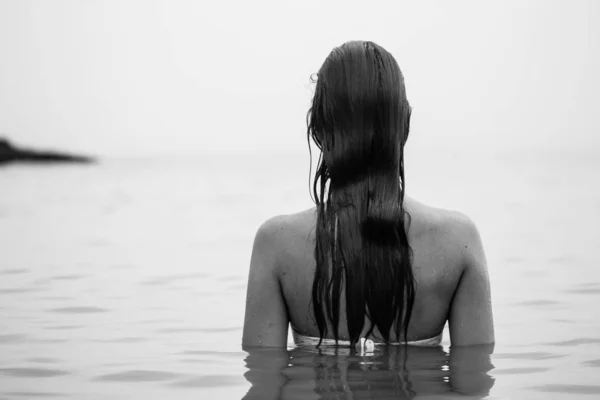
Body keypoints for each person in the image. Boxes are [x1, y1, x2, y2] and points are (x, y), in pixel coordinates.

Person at [242, 40, 494, 349]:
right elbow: (474, 385)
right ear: (405, 125)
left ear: (318, 129)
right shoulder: (458, 242)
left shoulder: (277, 244)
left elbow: (263, 382)